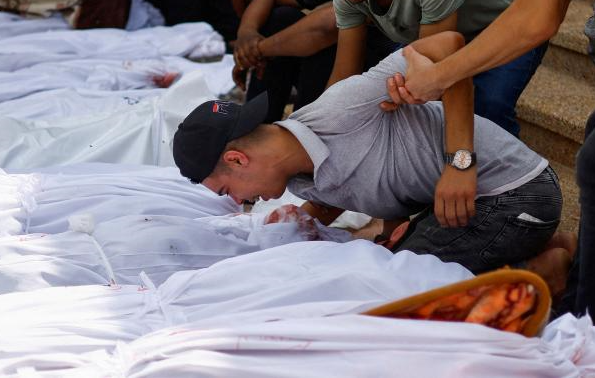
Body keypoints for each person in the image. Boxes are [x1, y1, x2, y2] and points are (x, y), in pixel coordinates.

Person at [173, 31, 568, 292]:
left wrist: (459, 163)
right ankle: (539, 249)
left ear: (237, 159)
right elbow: (353, 177)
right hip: (459, 208)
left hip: (516, 193)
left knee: (399, 287)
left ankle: (541, 271)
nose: (241, 201)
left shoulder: (343, 107)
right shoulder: (298, 178)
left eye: (227, 190)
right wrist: (300, 227)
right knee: (378, 267)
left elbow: (448, 45)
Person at [384, 0, 595, 319]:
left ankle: (584, 318)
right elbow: (540, 7)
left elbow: (533, 19)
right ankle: (576, 302)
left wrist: (438, 79)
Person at [245, 0, 545, 137]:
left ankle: (510, 194)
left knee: (488, 108)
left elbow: (432, 74)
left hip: (508, 27)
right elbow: (344, 76)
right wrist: (307, 136)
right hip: (431, 34)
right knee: (381, 96)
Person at [233, 0, 398, 121]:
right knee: (281, 18)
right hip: (348, 61)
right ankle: (254, 125)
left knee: (324, 48)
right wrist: (246, 33)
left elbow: (324, 29)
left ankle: (301, 127)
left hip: (381, 74)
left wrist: (256, 51)